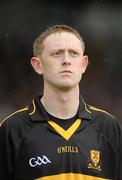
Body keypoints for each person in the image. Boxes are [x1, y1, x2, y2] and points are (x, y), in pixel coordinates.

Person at [0, 24, 122, 180]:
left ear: (83, 64)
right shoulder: (12, 130)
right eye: (57, 53)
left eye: (73, 53)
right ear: (38, 65)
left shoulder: (109, 128)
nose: (66, 61)